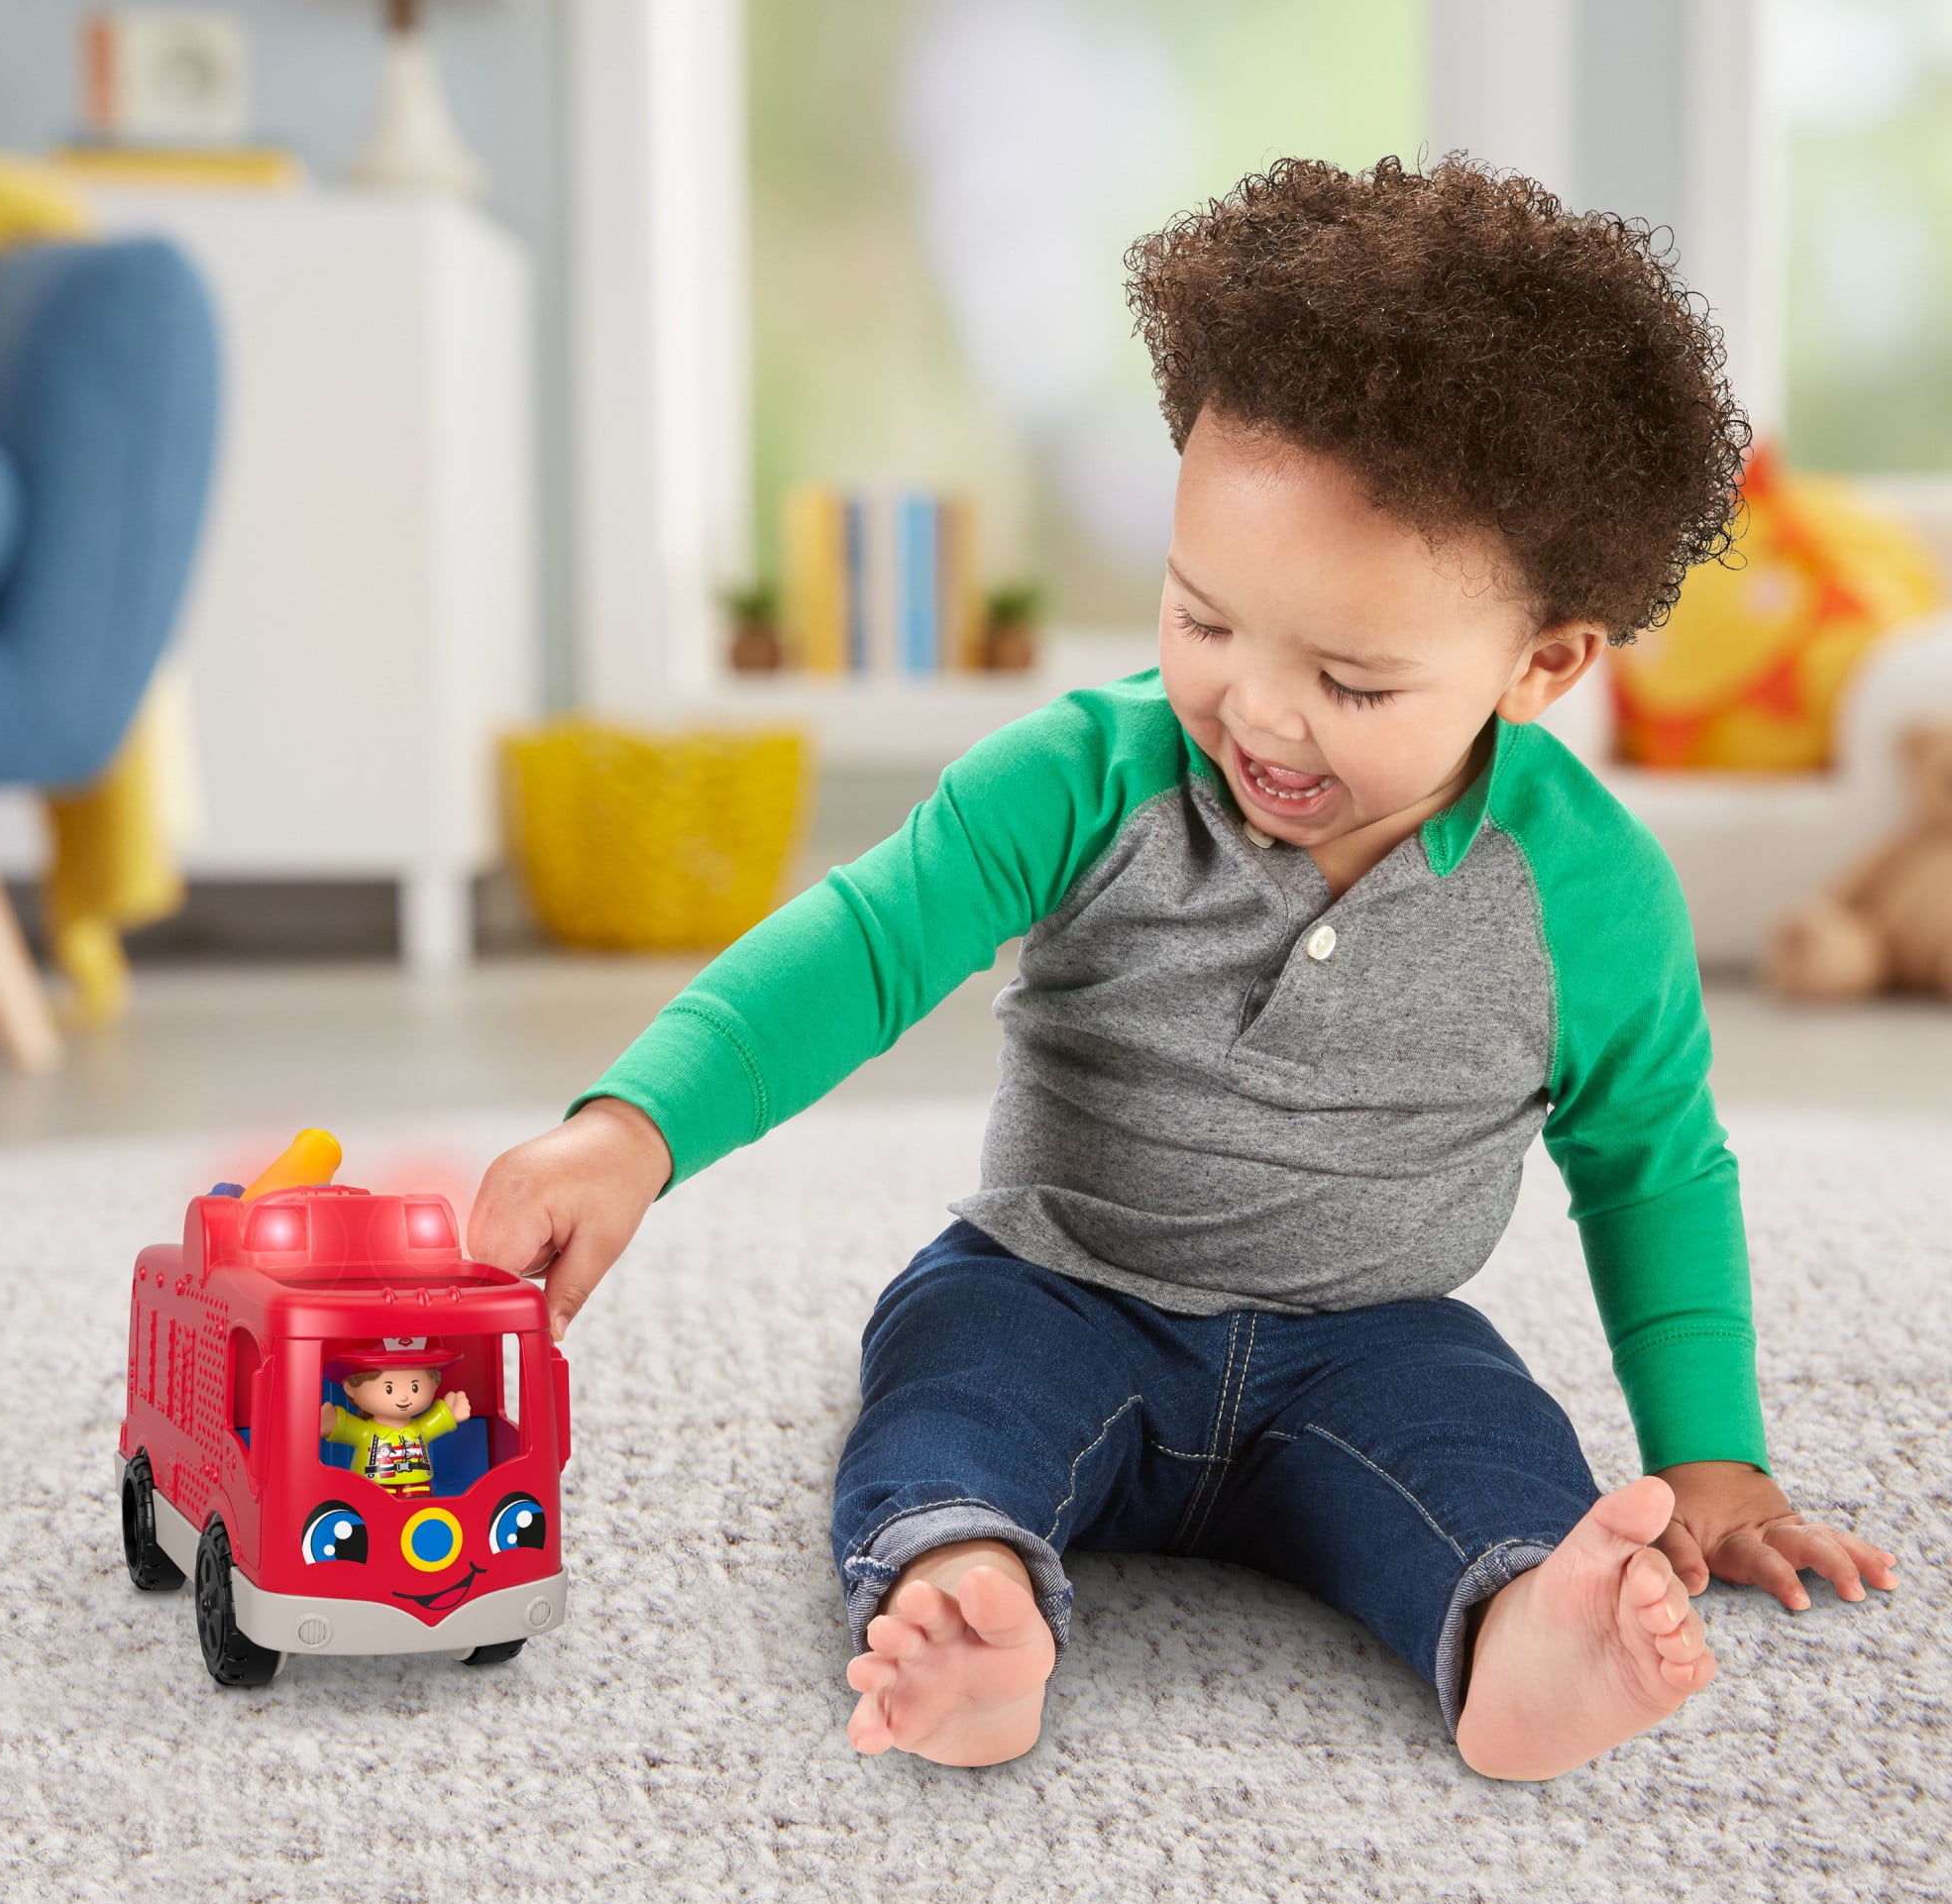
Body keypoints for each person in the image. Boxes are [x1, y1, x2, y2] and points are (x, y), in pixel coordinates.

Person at [469, 157, 1898, 1778]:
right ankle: (970, 1600)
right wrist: (633, 1127)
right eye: (1203, 619)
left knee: (1501, 1458)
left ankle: (1520, 1648)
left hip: (1375, 1332)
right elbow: (862, 948)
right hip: (1057, 1284)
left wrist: (1714, 1462)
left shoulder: (1589, 894)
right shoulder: (1086, 777)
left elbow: (1652, 1170)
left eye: (1351, 681)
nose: (1260, 715)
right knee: (941, 1403)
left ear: (1546, 663)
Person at [321, 1348, 472, 1497]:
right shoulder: (365, 1431)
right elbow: (344, 1426)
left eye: (415, 1387)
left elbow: (436, 1422)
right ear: (351, 1389)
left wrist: (449, 1413)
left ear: (434, 1385)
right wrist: (332, 1422)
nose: (404, 1397)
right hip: (374, 1488)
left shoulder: (420, 1428)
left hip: (417, 1488)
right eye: (389, 1389)